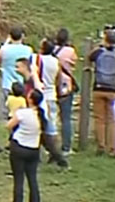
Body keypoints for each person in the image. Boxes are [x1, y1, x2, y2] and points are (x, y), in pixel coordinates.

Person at [88, 27, 115, 155]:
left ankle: (101, 145)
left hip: (98, 87)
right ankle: (112, 147)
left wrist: (101, 42)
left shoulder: (99, 52)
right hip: (113, 89)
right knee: (112, 120)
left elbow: (90, 56)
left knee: (99, 119)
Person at [7, 89, 46, 202]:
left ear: (30, 99)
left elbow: (9, 125)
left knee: (18, 179)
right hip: (34, 149)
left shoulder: (23, 113)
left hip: (19, 147)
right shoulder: (41, 114)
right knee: (32, 178)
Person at [35, 38, 68, 167]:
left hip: (40, 95)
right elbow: (59, 79)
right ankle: (55, 152)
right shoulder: (56, 62)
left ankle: (47, 152)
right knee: (52, 126)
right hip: (51, 95)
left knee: (38, 125)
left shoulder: (38, 60)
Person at [53, 28, 78, 154]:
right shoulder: (70, 51)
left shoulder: (51, 50)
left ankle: (51, 144)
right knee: (66, 117)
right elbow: (74, 63)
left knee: (51, 116)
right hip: (66, 85)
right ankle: (66, 146)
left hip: (52, 84)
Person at [0, 27, 33, 117]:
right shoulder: (28, 49)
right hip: (22, 82)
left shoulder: (4, 49)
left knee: (8, 110)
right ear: (22, 36)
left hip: (7, 82)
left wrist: (7, 42)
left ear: (10, 36)